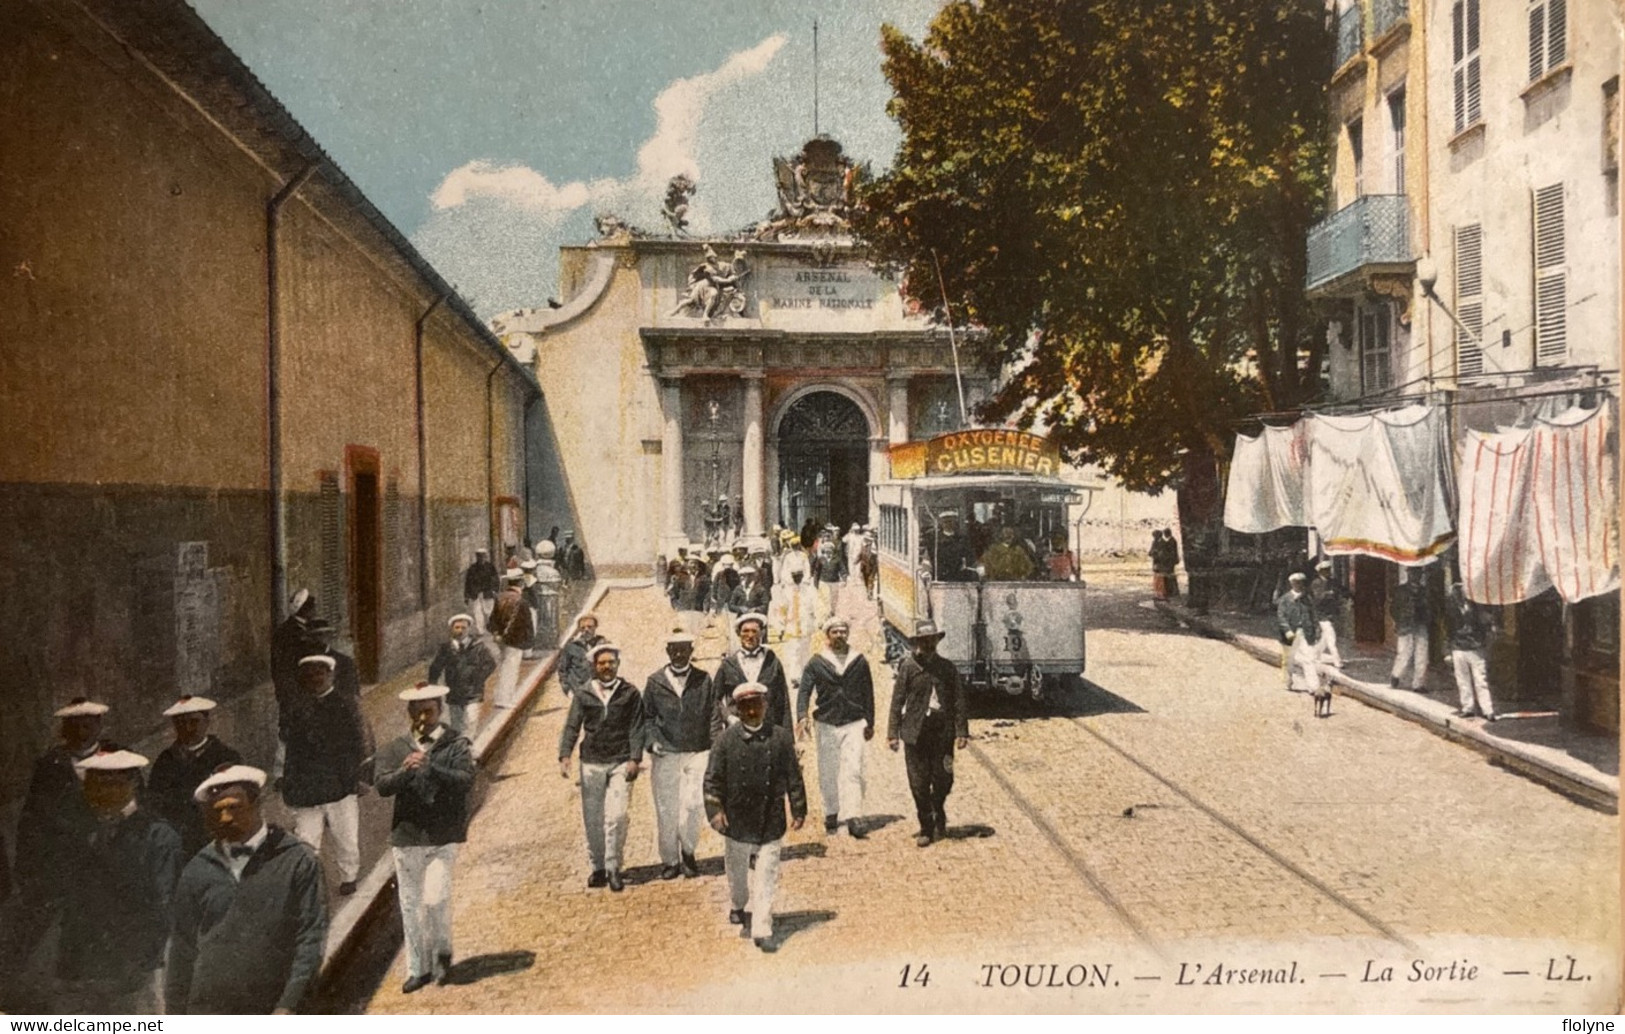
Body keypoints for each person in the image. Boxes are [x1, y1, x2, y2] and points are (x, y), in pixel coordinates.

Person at [167, 766, 326, 1015]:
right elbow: (181, 949)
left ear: (257, 804)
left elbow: (310, 939)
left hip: (273, 1008)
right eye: (217, 811)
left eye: (234, 807)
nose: (225, 818)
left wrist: (288, 1004)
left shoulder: (298, 860)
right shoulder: (196, 870)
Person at [1, 698, 114, 1009]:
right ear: (65, 728)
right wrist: (29, 869)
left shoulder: (116, 758)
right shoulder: (50, 765)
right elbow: (32, 819)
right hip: (62, 865)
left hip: (105, 863)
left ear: (99, 726)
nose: (82, 729)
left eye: (89, 722)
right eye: (75, 724)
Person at [53, 749, 181, 1014]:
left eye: (109, 784)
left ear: (132, 785)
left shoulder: (157, 836)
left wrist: (144, 962)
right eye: (91, 785)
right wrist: (69, 964)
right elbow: (74, 904)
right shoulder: (83, 834)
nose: (98, 793)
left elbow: (164, 906)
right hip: (89, 967)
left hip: (135, 968)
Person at [375, 684, 477, 993]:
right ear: (409, 713)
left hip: (442, 835)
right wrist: (404, 772)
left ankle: (442, 955)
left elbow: (465, 780)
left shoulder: (456, 743)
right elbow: (381, 786)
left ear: (440, 710)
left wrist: (431, 767)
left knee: (436, 899)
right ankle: (418, 968)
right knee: (411, 905)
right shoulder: (396, 747)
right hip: (407, 837)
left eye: (429, 710)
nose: (423, 716)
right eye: (417, 710)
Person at [704, 683, 807, 953]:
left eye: (757, 705)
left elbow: (793, 776)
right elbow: (712, 781)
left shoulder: (781, 738)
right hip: (737, 821)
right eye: (745, 706)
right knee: (737, 874)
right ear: (737, 710)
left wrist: (798, 808)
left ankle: (763, 928)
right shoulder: (725, 742)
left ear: (765, 705)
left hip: (770, 819)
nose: (752, 711)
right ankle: (738, 904)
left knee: (767, 875)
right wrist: (715, 812)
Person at [281, 655, 372, 895]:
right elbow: (288, 748)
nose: (315, 679)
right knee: (306, 840)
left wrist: (363, 776)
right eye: (310, 676)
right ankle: (307, 884)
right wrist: (287, 782)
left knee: (346, 836)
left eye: (320, 673)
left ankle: (348, 876)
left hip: (340, 782)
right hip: (307, 786)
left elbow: (363, 741)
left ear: (330, 674)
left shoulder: (346, 704)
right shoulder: (297, 709)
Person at [557, 644, 644, 892]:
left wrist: (635, 758)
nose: (607, 667)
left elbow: (637, 727)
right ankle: (597, 867)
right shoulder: (584, 694)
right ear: (594, 666)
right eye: (602, 663)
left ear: (617, 664)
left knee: (617, 815)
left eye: (611, 662)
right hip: (592, 762)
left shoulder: (630, 693)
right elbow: (572, 726)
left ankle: (614, 866)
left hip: (620, 760)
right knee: (593, 817)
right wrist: (565, 755)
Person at [639, 632, 716, 880]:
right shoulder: (655, 682)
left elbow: (714, 714)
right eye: (675, 649)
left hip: (697, 750)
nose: (680, 654)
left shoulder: (704, 680)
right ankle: (670, 860)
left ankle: (689, 851)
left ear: (692, 650)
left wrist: (715, 745)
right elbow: (647, 718)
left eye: (684, 649)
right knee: (666, 808)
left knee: (694, 805)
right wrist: (652, 742)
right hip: (667, 753)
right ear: (668, 652)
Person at [887, 621, 968, 847]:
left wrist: (962, 731)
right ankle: (926, 825)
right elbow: (896, 702)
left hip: (942, 734)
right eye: (924, 640)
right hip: (915, 733)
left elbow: (959, 701)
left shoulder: (947, 668)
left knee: (944, 778)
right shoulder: (908, 668)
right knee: (918, 783)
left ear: (937, 641)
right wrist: (892, 733)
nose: (928, 644)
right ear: (917, 643)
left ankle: (937, 807)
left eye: (932, 640)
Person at [796, 617, 875, 839]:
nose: (839, 636)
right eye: (835, 632)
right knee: (828, 770)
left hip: (854, 722)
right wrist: (802, 716)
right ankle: (831, 811)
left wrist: (870, 721)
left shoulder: (858, 661)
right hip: (826, 723)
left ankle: (854, 816)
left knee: (854, 769)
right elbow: (804, 691)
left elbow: (868, 692)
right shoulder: (816, 662)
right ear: (827, 635)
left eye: (843, 632)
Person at [147, 695, 243, 858]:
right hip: (180, 841)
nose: (188, 728)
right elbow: (155, 801)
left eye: (194, 721)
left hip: (219, 835)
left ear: (206, 722)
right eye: (180, 723)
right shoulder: (166, 761)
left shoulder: (226, 757)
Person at [714, 613, 792, 735]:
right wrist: (728, 717)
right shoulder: (728, 664)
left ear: (762, 634)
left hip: (768, 730)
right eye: (745, 631)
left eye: (754, 631)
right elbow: (714, 698)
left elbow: (783, 702)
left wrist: (788, 739)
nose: (749, 636)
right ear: (738, 633)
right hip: (738, 730)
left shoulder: (772, 662)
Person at [428, 613, 496, 734]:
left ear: (468, 629)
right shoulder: (446, 649)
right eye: (457, 627)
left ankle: (468, 746)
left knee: (471, 721)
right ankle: (459, 749)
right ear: (452, 629)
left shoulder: (478, 647)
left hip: (473, 692)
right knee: (456, 724)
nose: (460, 630)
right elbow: (435, 668)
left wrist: (478, 678)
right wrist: (432, 685)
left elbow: (490, 664)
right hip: (454, 693)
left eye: (463, 628)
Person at [1445, 584, 1497, 721]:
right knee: (1462, 680)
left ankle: (1487, 710)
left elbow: (1486, 624)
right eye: (1456, 593)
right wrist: (1448, 650)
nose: (1458, 595)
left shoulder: (1477, 607)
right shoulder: (1451, 609)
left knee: (1480, 680)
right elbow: (1449, 629)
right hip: (1458, 646)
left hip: (1475, 646)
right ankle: (1468, 707)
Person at [489, 570, 535, 709]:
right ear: (520, 583)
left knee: (504, 667)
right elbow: (522, 623)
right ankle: (505, 699)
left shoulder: (499, 597)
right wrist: (529, 641)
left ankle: (500, 697)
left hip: (501, 639)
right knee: (511, 670)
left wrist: (497, 634)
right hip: (515, 640)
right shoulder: (521, 601)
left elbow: (492, 620)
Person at [771, 567, 823, 688]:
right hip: (791, 626)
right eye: (795, 575)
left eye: (799, 575)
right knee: (794, 651)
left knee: (805, 651)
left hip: (805, 626)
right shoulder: (786, 591)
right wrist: (780, 627)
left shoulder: (809, 590)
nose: (797, 578)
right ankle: (795, 677)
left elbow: (817, 605)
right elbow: (780, 610)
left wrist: (819, 619)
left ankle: (806, 675)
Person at [271, 589, 321, 708]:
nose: (315, 612)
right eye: (313, 608)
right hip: (294, 691)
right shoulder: (289, 632)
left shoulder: (305, 628)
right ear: (305, 610)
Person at [1275, 572, 1322, 694]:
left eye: (1300, 582)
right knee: (1289, 659)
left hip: (1306, 632)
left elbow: (1314, 615)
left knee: (1309, 659)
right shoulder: (1285, 599)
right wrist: (1287, 630)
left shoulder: (1308, 599)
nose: (1298, 585)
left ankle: (1313, 687)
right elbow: (1281, 616)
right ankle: (1288, 680)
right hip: (1290, 633)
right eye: (1295, 582)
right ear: (1291, 584)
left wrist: (1317, 629)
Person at [1389, 574, 1431, 691]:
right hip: (1406, 625)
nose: (1415, 577)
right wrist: (1398, 622)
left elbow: (1428, 607)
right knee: (1404, 653)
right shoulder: (1401, 590)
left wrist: (1426, 617)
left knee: (1422, 654)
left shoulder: (1423, 591)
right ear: (1408, 574)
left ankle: (1419, 683)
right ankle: (1396, 674)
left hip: (1420, 624)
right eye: (1413, 573)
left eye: (1417, 573)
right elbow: (1394, 608)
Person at [1309, 559, 1347, 669]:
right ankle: (1337, 661)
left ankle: (1315, 655)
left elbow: (1342, 590)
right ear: (1320, 572)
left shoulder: (1333, 582)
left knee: (1325, 638)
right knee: (1331, 637)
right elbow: (1317, 598)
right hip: (1322, 614)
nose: (1328, 572)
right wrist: (1328, 594)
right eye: (1325, 570)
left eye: (1329, 570)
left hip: (1332, 613)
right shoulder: (1316, 583)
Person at [557, 613, 605, 699]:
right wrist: (568, 691)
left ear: (596, 626)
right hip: (579, 693)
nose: (586, 630)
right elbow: (562, 670)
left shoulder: (603, 645)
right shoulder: (571, 647)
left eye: (590, 627)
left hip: (600, 693)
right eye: (583, 628)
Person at [927, 512, 975, 582]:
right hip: (939, 579)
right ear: (941, 523)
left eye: (950, 521)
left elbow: (970, 557)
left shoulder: (961, 539)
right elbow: (927, 558)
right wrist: (926, 572)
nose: (948, 524)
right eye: (945, 521)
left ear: (955, 522)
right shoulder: (935, 540)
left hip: (958, 578)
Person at [462, 549, 500, 634]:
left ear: (485, 557)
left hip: (488, 593)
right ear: (477, 557)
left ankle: (491, 628)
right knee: (477, 612)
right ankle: (480, 630)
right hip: (476, 593)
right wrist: (467, 596)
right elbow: (468, 582)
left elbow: (496, 580)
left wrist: (495, 590)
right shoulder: (472, 568)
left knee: (489, 611)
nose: (481, 558)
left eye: (483, 556)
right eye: (479, 556)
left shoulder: (490, 567)